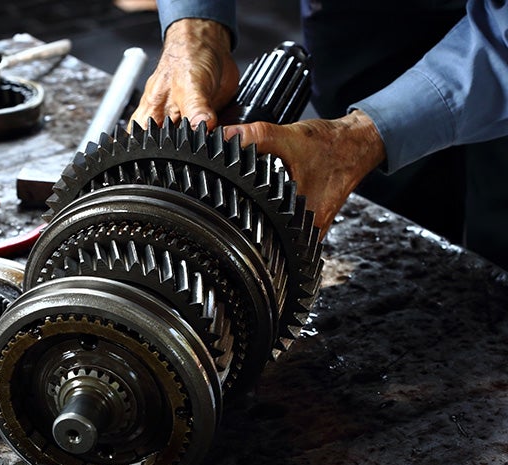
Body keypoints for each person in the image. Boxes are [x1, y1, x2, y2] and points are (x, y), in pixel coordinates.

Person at [129, 0, 508, 269]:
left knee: (498, 235)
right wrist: (194, 26)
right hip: (358, 13)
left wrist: (360, 136)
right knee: (389, 219)